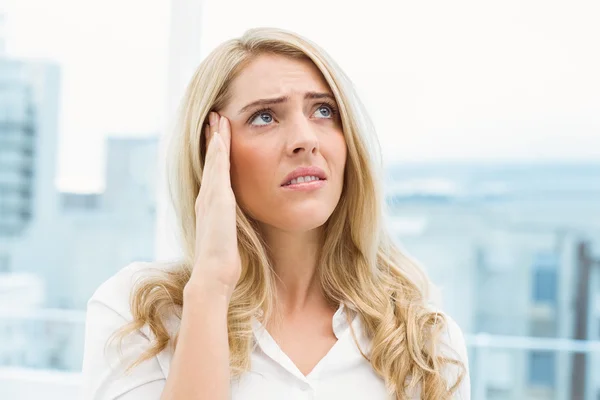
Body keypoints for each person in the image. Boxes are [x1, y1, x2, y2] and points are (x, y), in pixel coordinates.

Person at [81, 27, 470, 399]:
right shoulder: (138, 317)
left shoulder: (424, 342)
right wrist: (211, 287)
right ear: (212, 152)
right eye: (264, 116)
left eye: (323, 111)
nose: (305, 139)